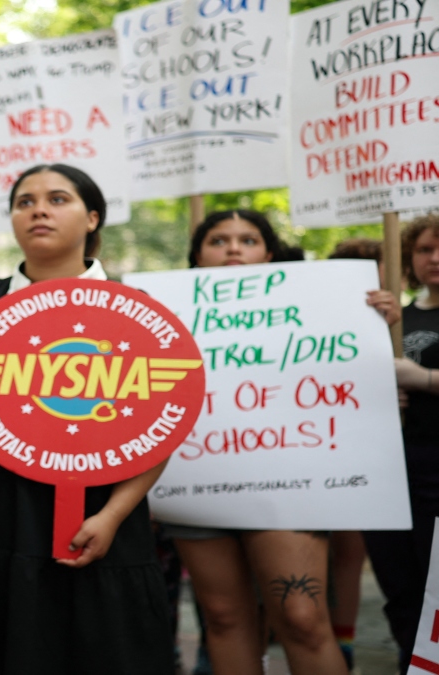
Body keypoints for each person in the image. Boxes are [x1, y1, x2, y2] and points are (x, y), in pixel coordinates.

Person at [0, 163, 174, 674]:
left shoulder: (137, 310)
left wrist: (113, 517)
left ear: (93, 217)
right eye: (24, 201)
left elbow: (161, 427)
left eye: (58, 199)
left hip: (99, 515)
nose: (38, 209)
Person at [165, 211, 398, 675]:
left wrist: (376, 322)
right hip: (195, 483)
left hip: (290, 485)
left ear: (268, 255)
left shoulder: (322, 306)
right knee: (224, 618)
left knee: (303, 617)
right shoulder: (160, 314)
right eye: (218, 240)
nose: (233, 248)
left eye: (247, 239)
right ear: (196, 256)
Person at [367, 213, 439, 674]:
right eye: (424, 249)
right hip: (393, 471)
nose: (435, 258)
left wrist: (426, 379)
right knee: (402, 584)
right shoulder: (398, 316)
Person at [326, 237, 401, 670]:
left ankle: (345, 638)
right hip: (317, 446)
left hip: (368, 451)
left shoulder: (400, 319)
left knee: (352, 552)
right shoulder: (310, 316)